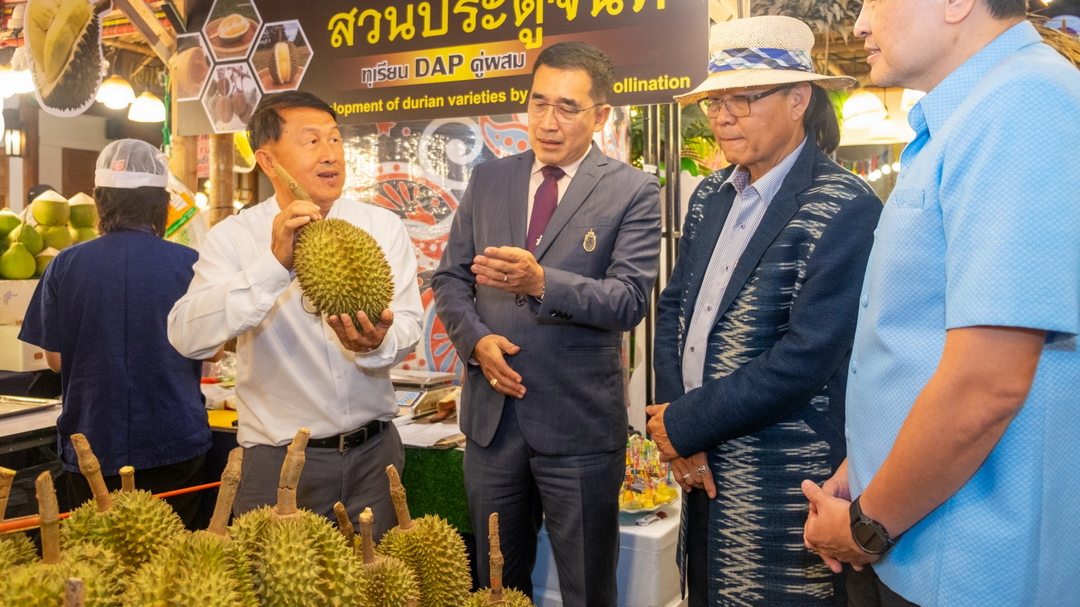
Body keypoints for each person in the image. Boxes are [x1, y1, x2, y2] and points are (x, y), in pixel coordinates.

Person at [801, 0, 1080, 606]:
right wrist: (869, 462)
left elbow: (986, 385)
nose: (858, 23)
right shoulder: (967, 118)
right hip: (922, 530)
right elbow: (923, 337)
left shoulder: (1023, 106)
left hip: (966, 563)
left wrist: (865, 525)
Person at [644, 15, 882, 607]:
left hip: (781, 475)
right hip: (699, 466)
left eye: (743, 99)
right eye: (715, 101)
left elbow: (806, 357)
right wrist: (679, 424)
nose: (722, 116)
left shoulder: (842, 204)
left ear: (799, 98)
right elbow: (674, 307)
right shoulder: (710, 194)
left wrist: (683, 424)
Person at [431, 41, 660, 606]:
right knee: (495, 586)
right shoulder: (489, 181)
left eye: (567, 108)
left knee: (586, 587)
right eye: (537, 104)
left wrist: (542, 284)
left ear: (600, 115)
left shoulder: (632, 190)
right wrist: (476, 341)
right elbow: (450, 280)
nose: (548, 122)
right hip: (492, 426)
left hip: (578, 428)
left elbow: (629, 300)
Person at [168, 90, 423, 538]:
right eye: (311, 142)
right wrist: (273, 266)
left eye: (336, 140)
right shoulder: (234, 238)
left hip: (374, 457)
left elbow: (407, 325)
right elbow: (188, 336)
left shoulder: (381, 227)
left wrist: (377, 342)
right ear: (268, 161)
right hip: (277, 466)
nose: (331, 155)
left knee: (380, 587)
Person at [19, 139, 211, 526]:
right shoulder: (192, 264)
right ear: (161, 204)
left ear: (100, 200)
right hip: (173, 438)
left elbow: (55, 361)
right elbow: (215, 352)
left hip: (92, 442)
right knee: (174, 567)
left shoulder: (65, 264)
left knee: (99, 565)